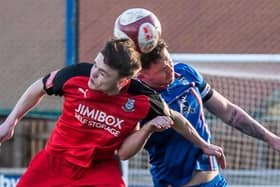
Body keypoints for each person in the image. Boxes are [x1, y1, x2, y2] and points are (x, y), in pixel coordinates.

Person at [0, 38, 225, 187]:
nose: (93, 75)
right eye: (95, 66)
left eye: (102, 73)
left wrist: (203, 145)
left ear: (123, 81)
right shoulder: (75, 75)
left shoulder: (142, 98)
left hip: (98, 169)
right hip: (54, 161)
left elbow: (177, 120)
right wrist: (10, 123)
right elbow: (39, 86)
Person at [117, 39, 280, 187]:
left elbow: (230, 112)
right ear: (142, 75)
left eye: (170, 62)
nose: (171, 70)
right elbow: (124, 152)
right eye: (163, 69)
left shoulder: (186, 73)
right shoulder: (135, 100)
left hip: (213, 182)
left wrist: (271, 139)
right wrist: (148, 128)